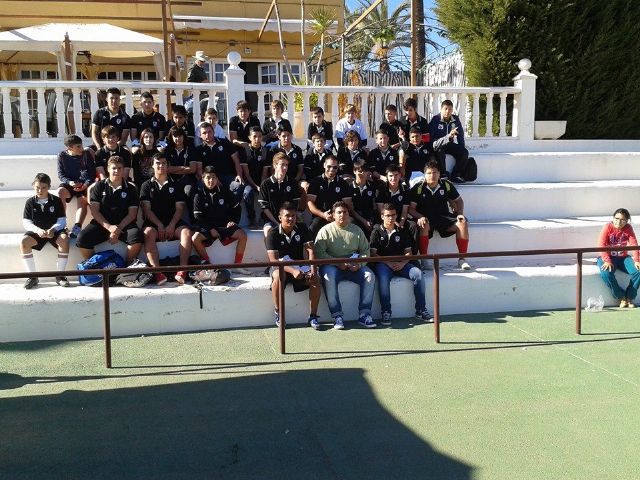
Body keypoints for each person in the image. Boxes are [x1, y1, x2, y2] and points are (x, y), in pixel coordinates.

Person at [314, 201, 376, 329]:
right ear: (333, 215)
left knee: (369, 275)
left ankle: (364, 314)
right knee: (328, 276)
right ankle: (337, 316)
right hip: (332, 266)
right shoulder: (325, 231)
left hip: (353, 266)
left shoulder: (357, 230)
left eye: (345, 212)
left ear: (349, 214)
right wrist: (337, 263)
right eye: (339, 212)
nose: (342, 215)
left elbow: (365, 251)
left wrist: (359, 264)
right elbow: (319, 253)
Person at [370, 203, 433, 325]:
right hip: (384, 264)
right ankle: (386, 312)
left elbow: (408, 252)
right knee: (383, 278)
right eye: (388, 215)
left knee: (418, 274)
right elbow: (373, 254)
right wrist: (388, 263)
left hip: (402, 264)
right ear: (382, 216)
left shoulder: (402, 231)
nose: (391, 218)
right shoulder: (376, 231)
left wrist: (403, 263)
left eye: (393, 215)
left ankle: (421, 310)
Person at [76, 156, 143, 265]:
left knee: (137, 237)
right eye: (114, 168)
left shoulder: (131, 188)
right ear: (108, 169)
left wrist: (118, 229)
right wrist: (109, 227)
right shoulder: (99, 186)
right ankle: (96, 266)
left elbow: (132, 214)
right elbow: (95, 211)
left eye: (119, 168)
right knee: (82, 239)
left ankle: (127, 268)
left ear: (123, 169)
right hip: (102, 224)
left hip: (124, 225)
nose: (116, 171)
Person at [140, 153, 193, 285]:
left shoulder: (176, 184)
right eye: (158, 163)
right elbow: (147, 210)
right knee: (147, 233)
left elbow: (179, 209)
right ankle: (157, 273)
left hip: (172, 222)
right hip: (154, 222)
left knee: (186, 233)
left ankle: (182, 271)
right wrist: (159, 225)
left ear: (168, 165)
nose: (161, 166)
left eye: (164, 163)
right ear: (152, 165)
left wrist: (171, 225)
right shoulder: (146, 185)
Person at [266, 202, 321, 328]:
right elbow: (273, 261)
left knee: (315, 278)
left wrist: (313, 270)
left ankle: (313, 316)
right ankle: (278, 313)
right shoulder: (272, 234)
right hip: (281, 267)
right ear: (280, 218)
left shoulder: (302, 228)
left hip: (299, 266)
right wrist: (292, 271)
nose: (291, 219)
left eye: (293, 216)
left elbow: (311, 251)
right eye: (287, 216)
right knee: (278, 276)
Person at [409, 161, 471, 270]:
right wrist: (420, 216)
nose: (432, 175)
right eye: (429, 173)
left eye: (435, 172)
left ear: (439, 173)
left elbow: (459, 201)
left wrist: (460, 214)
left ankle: (462, 259)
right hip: (427, 218)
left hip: (444, 217)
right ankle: (424, 259)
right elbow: (411, 209)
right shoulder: (418, 188)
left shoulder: (446, 185)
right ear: (424, 174)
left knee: (462, 223)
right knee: (423, 223)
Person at [192, 166, 251, 275]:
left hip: (223, 225)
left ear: (217, 179)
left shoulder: (225, 191)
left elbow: (236, 208)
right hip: (207, 227)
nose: (211, 180)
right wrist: (210, 229)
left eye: (213, 177)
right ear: (203, 179)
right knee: (195, 238)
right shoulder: (198, 195)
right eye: (208, 178)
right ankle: (208, 265)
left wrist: (233, 221)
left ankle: (237, 265)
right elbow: (198, 217)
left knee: (242, 235)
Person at [21, 173, 70, 289]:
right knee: (24, 242)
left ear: (49, 187)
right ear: (33, 186)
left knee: (64, 240)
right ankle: (32, 276)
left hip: (54, 231)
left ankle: (60, 275)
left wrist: (53, 229)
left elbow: (62, 220)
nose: (40, 190)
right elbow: (26, 222)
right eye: (37, 187)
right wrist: (38, 230)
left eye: (43, 187)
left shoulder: (56, 200)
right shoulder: (30, 202)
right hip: (38, 231)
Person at [597, 208, 640, 308]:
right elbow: (601, 245)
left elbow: (634, 244)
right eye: (616, 218)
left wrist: (637, 260)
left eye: (622, 220)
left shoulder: (628, 228)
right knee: (606, 274)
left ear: (627, 221)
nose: (618, 222)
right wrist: (607, 260)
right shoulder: (607, 227)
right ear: (613, 218)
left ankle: (629, 297)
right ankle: (621, 297)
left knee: (638, 271)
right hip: (607, 257)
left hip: (623, 258)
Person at [56, 134, 96, 238]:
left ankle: (77, 227)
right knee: (60, 191)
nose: (82, 148)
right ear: (70, 148)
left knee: (82, 199)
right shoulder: (62, 156)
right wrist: (70, 182)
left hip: (84, 183)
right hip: (70, 183)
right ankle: (62, 224)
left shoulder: (86, 154)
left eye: (81, 145)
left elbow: (91, 174)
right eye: (78, 146)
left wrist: (85, 184)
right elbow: (61, 174)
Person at [195, 122, 244, 204]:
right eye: (204, 133)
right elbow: (199, 171)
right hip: (209, 177)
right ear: (200, 135)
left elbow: (236, 161)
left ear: (214, 132)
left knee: (238, 186)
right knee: (200, 186)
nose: (207, 135)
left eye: (209, 132)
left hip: (227, 176)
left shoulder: (225, 143)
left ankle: (231, 208)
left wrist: (239, 175)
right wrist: (213, 180)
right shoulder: (199, 149)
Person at [376, 164, 420, 253]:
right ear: (387, 176)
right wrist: (393, 222)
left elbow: (405, 210)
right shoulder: (381, 189)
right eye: (390, 176)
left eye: (396, 175)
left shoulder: (405, 190)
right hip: (385, 218)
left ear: (400, 175)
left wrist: (401, 223)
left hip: (400, 218)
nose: (393, 178)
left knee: (413, 226)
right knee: (375, 227)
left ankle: (413, 256)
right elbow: (381, 210)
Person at [306, 155, 353, 238]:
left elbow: (348, 205)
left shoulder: (343, 183)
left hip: (339, 216)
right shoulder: (316, 181)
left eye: (335, 167)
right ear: (324, 165)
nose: (332, 169)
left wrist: (337, 215)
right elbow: (310, 203)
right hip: (321, 216)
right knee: (313, 228)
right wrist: (323, 215)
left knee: (352, 224)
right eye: (329, 166)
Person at [258, 152, 302, 237]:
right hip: (271, 220)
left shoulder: (293, 183)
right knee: (269, 231)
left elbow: (295, 205)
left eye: (286, 165)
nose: (285, 167)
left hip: (289, 219)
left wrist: (286, 221)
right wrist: (277, 223)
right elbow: (265, 208)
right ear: (275, 165)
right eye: (282, 165)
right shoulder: (266, 184)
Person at [429, 99, 469, 183]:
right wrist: (447, 137)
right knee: (439, 151)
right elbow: (432, 140)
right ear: (441, 109)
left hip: (450, 144)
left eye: (450, 109)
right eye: (445, 109)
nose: (447, 111)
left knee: (464, 152)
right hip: (438, 145)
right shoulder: (435, 119)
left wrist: (461, 148)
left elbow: (460, 135)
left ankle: (456, 174)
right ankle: (443, 174)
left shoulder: (455, 119)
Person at [241, 127, 270, 228]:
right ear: (249, 137)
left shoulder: (265, 151)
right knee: (248, 192)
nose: (257, 139)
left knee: (270, 190)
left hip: (261, 181)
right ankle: (252, 218)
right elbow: (247, 174)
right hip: (249, 182)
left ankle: (264, 216)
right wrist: (256, 186)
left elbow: (264, 173)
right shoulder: (245, 151)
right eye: (254, 137)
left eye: (259, 136)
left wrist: (262, 185)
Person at [165, 125, 198, 202]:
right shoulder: (168, 150)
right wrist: (183, 168)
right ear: (171, 137)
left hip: (187, 179)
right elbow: (167, 169)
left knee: (189, 192)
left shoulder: (190, 149)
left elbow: (193, 169)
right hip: (172, 180)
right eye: (175, 136)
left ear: (183, 136)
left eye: (180, 136)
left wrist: (174, 169)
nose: (178, 139)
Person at [349, 159, 377, 236]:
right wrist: (364, 221)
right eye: (360, 171)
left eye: (365, 171)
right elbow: (351, 210)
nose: (363, 173)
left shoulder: (372, 186)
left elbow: (374, 206)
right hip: (356, 217)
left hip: (369, 217)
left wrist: (370, 220)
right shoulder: (349, 187)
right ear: (354, 171)